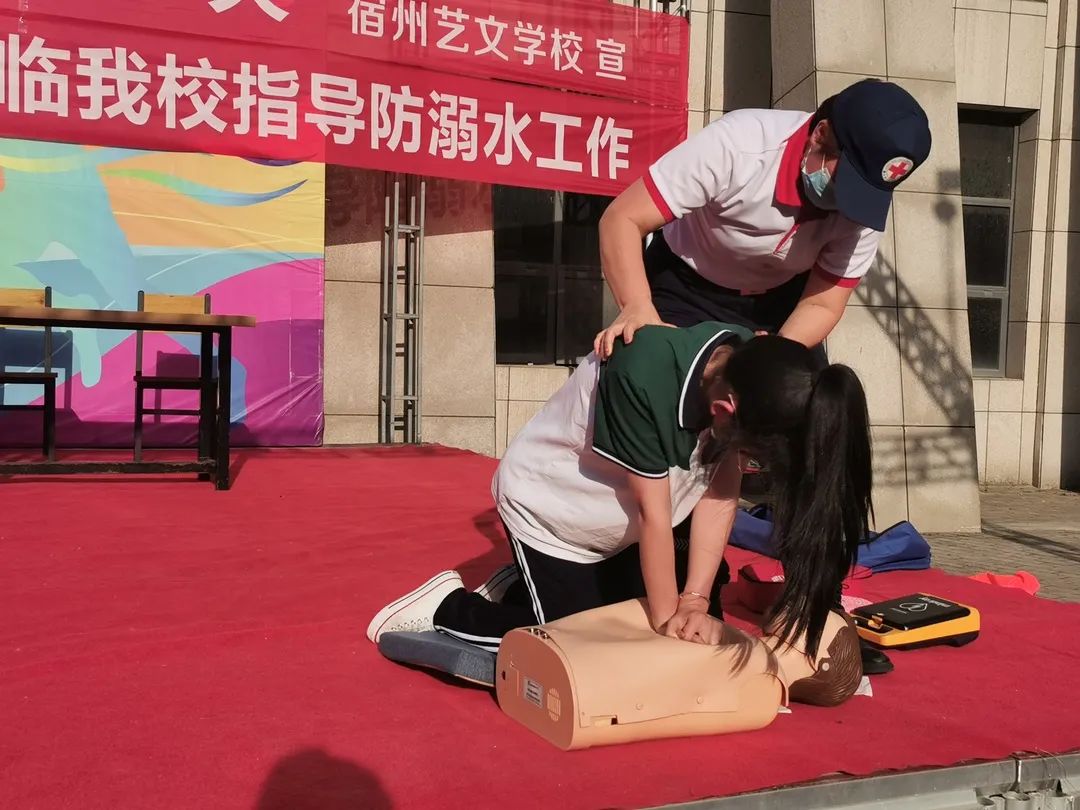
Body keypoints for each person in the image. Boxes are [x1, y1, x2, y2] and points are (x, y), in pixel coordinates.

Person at [367, 323, 874, 665]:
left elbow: (720, 490)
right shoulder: (643, 375)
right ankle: (445, 608)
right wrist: (668, 626)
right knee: (579, 650)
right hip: (555, 513)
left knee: (690, 624)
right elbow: (654, 515)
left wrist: (694, 601)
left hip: (626, 522)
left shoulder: (750, 365)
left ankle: (524, 583)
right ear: (725, 409)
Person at [593, 79, 932, 367]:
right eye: (845, 182)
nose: (846, 204)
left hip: (778, 300)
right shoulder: (740, 145)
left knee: (795, 398)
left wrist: (774, 353)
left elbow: (822, 303)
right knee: (657, 377)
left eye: (862, 192)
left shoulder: (864, 210)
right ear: (820, 135)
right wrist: (637, 306)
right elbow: (623, 218)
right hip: (685, 284)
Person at [497, 599, 862, 750]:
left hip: (592, 689)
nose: (804, 610)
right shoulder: (754, 657)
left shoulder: (763, 686)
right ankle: (555, 644)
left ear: (819, 664)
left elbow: (681, 705)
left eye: (818, 622)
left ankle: (566, 667)